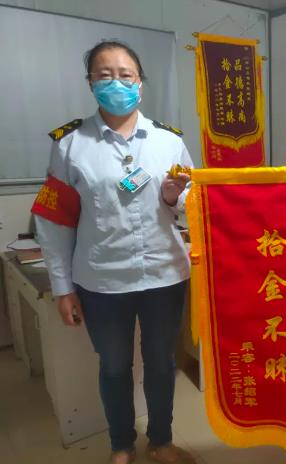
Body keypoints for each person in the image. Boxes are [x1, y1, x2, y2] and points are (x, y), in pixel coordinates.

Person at [32, 40, 196, 464]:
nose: (116, 83)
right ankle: (121, 444)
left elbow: (190, 204)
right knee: (114, 366)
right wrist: (63, 287)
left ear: (140, 82)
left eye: (126, 75)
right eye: (104, 75)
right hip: (101, 279)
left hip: (164, 274)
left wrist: (173, 195)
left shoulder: (168, 141)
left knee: (161, 364)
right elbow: (54, 222)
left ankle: (161, 441)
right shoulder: (70, 145)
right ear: (90, 83)